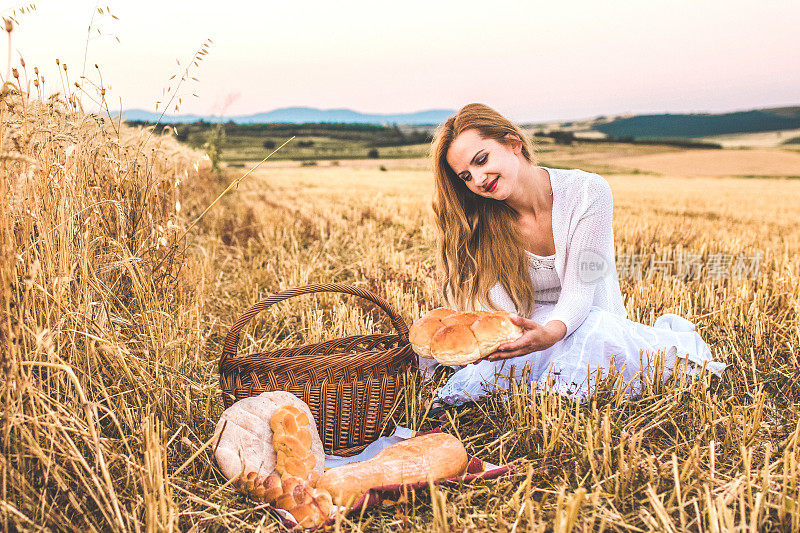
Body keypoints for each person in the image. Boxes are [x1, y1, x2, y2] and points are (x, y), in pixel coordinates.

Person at [423, 103, 726, 413]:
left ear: (513, 144)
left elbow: (582, 291)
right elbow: (503, 313)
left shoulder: (587, 192)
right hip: (527, 331)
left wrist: (550, 334)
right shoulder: (480, 219)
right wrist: (516, 341)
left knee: (593, 332)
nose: (477, 178)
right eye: (465, 175)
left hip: (590, 321)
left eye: (481, 160)